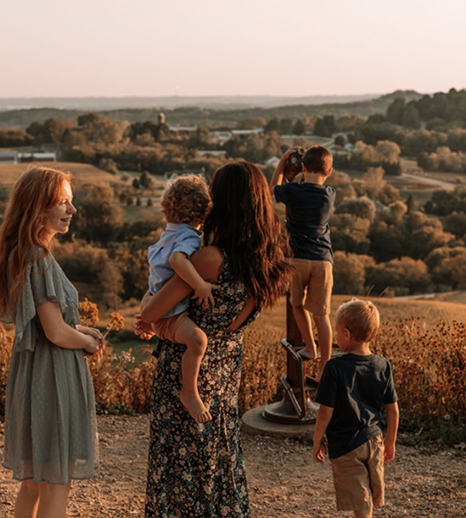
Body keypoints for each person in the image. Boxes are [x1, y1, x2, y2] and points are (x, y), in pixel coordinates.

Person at [135, 161, 292, 518]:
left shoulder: (208, 260)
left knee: (178, 473)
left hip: (184, 378)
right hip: (223, 379)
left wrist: (150, 316)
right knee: (219, 465)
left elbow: (152, 311)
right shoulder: (267, 264)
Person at [0, 166, 104, 518]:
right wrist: (87, 344)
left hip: (34, 374)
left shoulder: (22, 252)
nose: (72, 210)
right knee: (57, 482)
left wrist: (82, 329)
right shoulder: (38, 258)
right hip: (52, 378)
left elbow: (47, 323)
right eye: (64, 202)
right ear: (39, 207)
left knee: (34, 482)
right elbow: (55, 332)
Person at [312, 299, 400, 518]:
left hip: (346, 445)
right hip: (374, 439)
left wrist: (316, 440)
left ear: (347, 334)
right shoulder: (383, 365)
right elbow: (393, 409)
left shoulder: (334, 367)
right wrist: (390, 440)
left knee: (359, 499)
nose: (336, 336)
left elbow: (325, 411)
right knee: (367, 494)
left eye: (337, 331)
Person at [145, 174, 215, 423]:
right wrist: (201, 286)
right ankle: (190, 392)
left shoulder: (167, 234)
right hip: (171, 316)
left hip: (157, 309)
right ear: (203, 213)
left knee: (196, 340)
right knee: (198, 341)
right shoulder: (188, 237)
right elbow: (177, 261)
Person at [270, 145, 336, 378]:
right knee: (322, 316)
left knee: (297, 304)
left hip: (297, 258)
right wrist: (305, 170)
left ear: (304, 167)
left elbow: (274, 187)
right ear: (329, 172)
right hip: (322, 261)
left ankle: (310, 347)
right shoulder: (329, 194)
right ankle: (325, 365)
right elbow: (313, 181)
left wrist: (284, 161)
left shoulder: (293, 193)